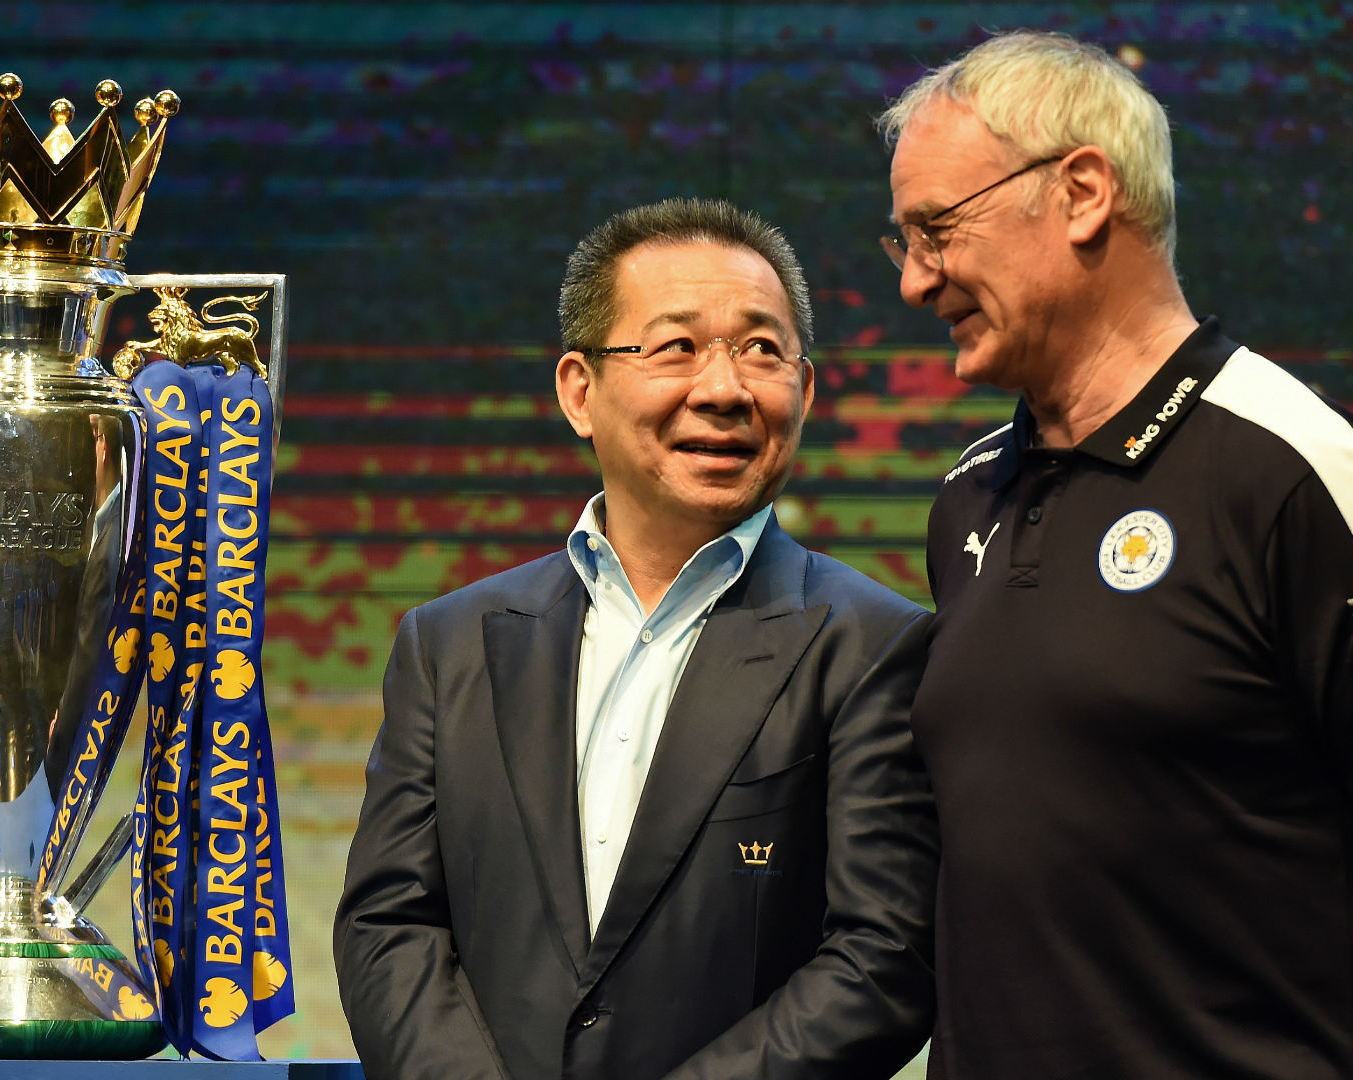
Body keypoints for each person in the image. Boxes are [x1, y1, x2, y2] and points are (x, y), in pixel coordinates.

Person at [880, 30, 1353, 1079]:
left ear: (1084, 191)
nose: (917, 282)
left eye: (938, 230)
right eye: (902, 243)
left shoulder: (1294, 468)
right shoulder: (967, 494)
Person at [334, 198, 937, 1079]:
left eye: (763, 350)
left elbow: (884, 958)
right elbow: (390, 925)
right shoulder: (450, 643)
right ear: (580, 390)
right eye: (676, 347)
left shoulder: (872, 646)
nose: (724, 389)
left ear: (805, 392)